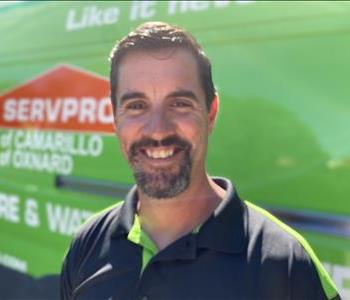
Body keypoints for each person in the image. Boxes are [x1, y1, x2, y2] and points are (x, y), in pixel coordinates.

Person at [60, 21, 340, 300]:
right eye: (137, 106)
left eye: (180, 103)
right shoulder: (88, 243)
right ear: (115, 117)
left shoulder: (286, 263)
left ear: (211, 113)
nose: (158, 130)